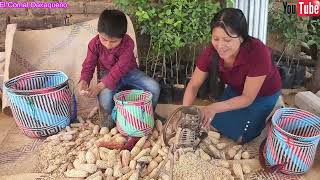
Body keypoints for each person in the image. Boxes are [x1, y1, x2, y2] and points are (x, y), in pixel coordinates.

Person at [183, 8, 282, 143]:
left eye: (227, 40)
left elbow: (247, 98)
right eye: (215, 38)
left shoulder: (258, 52)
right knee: (214, 125)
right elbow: (193, 85)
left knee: (240, 138)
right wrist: (185, 111)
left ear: (241, 37)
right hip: (236, 89)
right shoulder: (211, 52)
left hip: (262, 95)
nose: (220, 46)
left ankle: (273, 111)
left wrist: (213, 107)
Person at [78, 9, 160, 123]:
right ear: (98, 32)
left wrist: (99, 86)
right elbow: (88, 65)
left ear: (123, 36)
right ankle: (114, 121)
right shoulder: (94, 44)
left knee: (153, 87)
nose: (108, 44)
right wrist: (84, 81)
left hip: (130, 72)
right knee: (105, 99)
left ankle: (147, 116)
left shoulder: (128, 43)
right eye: (104, 39)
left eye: (114, 41)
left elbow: (121, 68)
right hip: (107, 73)